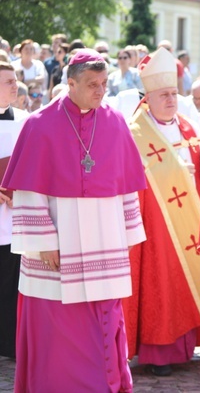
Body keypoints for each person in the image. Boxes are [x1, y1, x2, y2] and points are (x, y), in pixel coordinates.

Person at [4, 49, 147, 392]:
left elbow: (127, 187)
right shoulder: (39, 124)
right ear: (70, 83)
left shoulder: (115, 122)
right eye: (92, 84)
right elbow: (28, 190)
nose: (100, 91)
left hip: (104, 243)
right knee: (58, 330)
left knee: (101, 323)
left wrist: (127, 235)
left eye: (104, 84)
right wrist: (44, 244)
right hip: (58, 250)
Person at [124, 48, 200, 377]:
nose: (171, 100)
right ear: (148, 98)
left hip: (190, 214)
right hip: (156, 222)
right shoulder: (135, 132)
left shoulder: (188, 126)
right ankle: (158, 353)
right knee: (161, 281)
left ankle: (186, 346)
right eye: (164, 95)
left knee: (188, 279)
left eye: (174, 93)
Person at [0, 62, 29, 359]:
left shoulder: (24, 120)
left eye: (15, 79)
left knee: (11, 281)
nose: (15, 85)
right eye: (8, 80)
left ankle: (9, 343)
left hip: (15, 214)